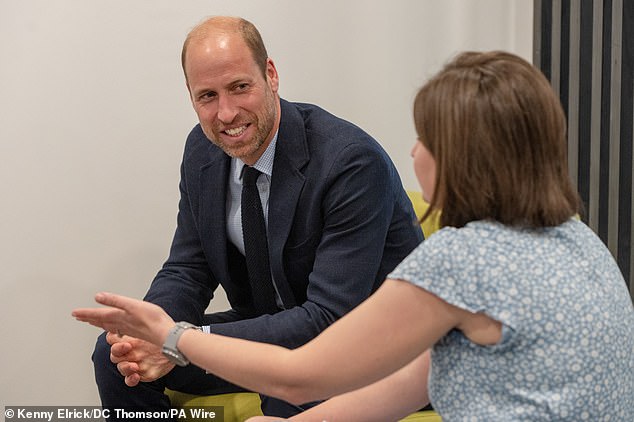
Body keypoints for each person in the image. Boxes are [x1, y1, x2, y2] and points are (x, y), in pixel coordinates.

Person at [76, 51, 634, 421]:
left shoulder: (460, 260)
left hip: (330, 338)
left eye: (424, 138)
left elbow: (302, 375)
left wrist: (173, 338)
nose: (412, 153)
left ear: (465, 159)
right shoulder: (578, 241)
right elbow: (420, 379)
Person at [89, 15, 423, 419]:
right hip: (272, 330)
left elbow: (329, 319)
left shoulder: (348, 161)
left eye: (239, 87)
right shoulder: (202, 151)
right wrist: (150, 334)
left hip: (365, 348)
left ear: (271, 75)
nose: (226, 113)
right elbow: (188, 269)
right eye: (207, 96)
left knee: (287, 390)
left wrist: (180, 339)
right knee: (115, 357)